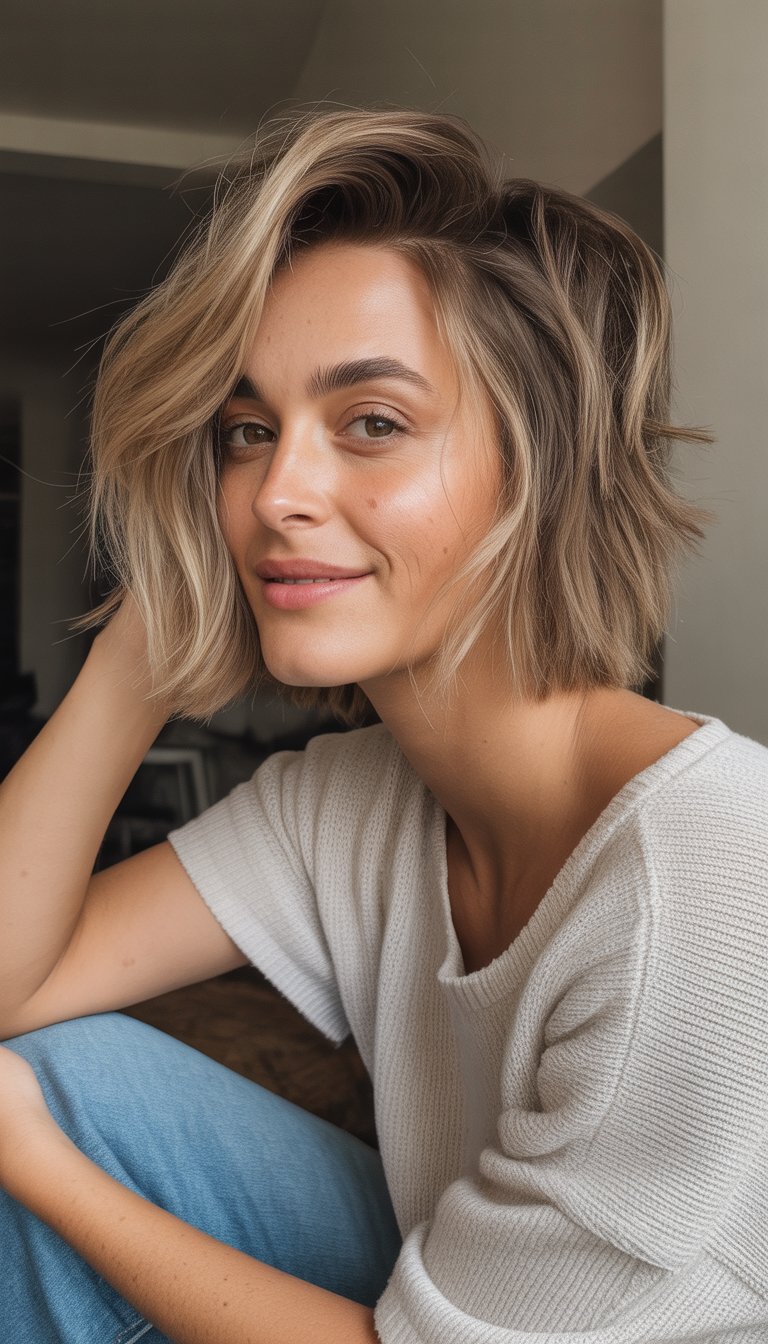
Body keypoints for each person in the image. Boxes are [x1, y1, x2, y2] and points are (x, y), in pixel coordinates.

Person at [0, 104, 766, 1344]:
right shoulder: (353, 800)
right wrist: (141, 652)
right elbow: (12, 980)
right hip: (461, 1283)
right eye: (248, 432)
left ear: (540, 471)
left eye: (373, 422)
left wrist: (42, 1168)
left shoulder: (712, 882)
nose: (274, 493)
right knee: (62, 1079)